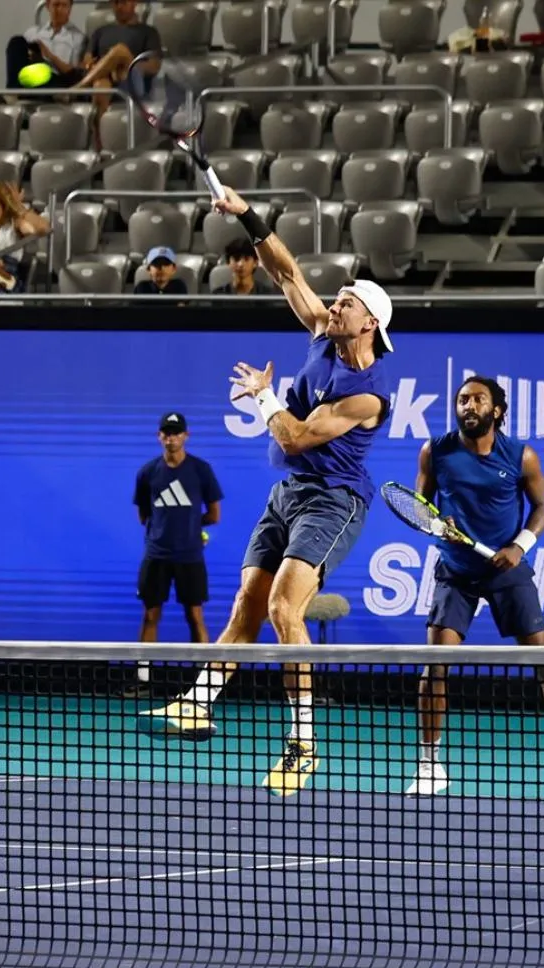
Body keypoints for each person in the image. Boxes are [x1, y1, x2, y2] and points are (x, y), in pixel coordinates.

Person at [141, 184, 393, 799]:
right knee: (247, 604)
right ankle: (197, 703)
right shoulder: (324, 332)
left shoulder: (367, 394)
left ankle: (303, 743)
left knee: (284, 608)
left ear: (370, 323)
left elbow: (298, 436)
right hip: (289, 494)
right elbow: (286, 272)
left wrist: (262, 396)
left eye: (348, 302)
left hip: (334, 501)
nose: (335, 304)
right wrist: (247, 215)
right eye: (337, 298)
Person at [408, 376, 544, 797]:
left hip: (507, 570)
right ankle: (429, 764)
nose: (468, 406)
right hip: (456, 570)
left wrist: (519, 545)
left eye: (478, 400)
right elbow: (419, 508)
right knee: (435, 666)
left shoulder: (520, 456)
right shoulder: (434, 451)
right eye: (462, 400)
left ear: (496, 411)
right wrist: (437, 524)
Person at [134, 412, 223, 665]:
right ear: (159, 436)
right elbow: (144, 515)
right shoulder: (148, 472)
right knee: (150, 616)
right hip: (156, 555)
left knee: (195, 616)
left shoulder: (201, 470)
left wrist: (190, 526)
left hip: (190, 556)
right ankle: (144, 679)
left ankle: (203, 681)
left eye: (176, 433)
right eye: (166, 434)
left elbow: (214, 515)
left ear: (186, 435)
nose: (171, 439)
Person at [71, 0, 161, 148]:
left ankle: (78, 88)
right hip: (106, 81)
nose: (119, 6)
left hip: (132, 81)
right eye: (116, 3)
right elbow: (87, 61)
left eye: (123, 2)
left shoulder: (148, 32)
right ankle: (102, 145)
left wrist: (126, 64)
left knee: (120, 50)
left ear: (134, 3)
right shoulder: (100, 32)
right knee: (100, 85)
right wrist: (103, 66)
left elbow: (154, 66)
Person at [0, 182, 49, 295]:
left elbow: (43, 229)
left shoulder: (13, 225)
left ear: (1, 203)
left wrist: (19, 207)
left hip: (6, 281)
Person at [4, 0, 86, 96]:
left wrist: (49, 56)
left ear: (70, 8)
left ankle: (16, 92)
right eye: (56, 5)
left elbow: (73, 74)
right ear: (47, 6)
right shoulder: (33, 33)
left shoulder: (78, 38)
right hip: (31, 76)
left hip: (56, 80)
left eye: (64, 5)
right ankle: (13, 92)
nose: (59, 10)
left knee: (45, 73)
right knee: (16, 41)